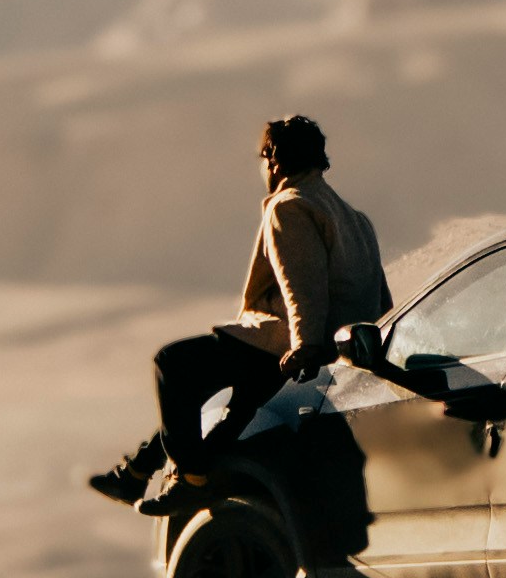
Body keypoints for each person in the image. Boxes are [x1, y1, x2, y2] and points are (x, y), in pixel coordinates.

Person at [87, 114, 389, 506]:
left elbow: (303, 284)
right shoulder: (357, 220)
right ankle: (137, 473)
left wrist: (305, 345)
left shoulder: (290, 206)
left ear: (273, 159)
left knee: (174, 365)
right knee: (216, 411)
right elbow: (380, 299)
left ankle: (189, 478)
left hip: (289, 346)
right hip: (336, 349)